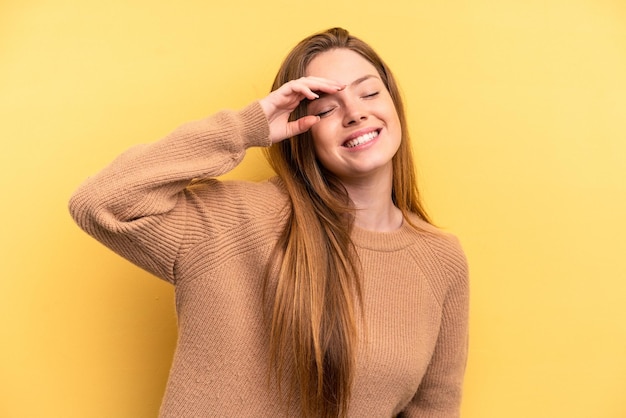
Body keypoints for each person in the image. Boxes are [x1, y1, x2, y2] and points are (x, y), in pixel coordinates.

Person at [69, 27, 469, 418]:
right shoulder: (237, 221)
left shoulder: (440, 259)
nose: (355, 113)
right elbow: (102, 202)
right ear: (302, 132)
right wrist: (251, 124)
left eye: (368, 92)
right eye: (326, 108)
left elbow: (433, 409)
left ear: (394, 104)